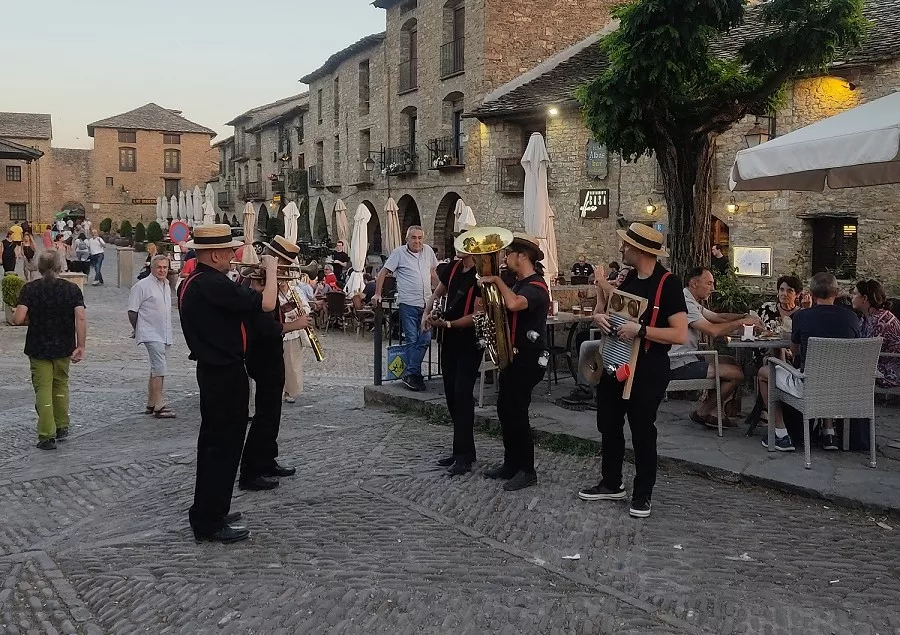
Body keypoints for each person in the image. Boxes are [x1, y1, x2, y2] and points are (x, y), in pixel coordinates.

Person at [577, 223, 688, 518]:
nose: (622, 249)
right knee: (608, 424)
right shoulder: (626, 280)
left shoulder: (668, 284)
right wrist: (600, 317)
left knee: (641, 430)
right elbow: (609, 313)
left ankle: (643, 493)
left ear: (639, 250)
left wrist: (641, 329)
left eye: (626, 246)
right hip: (617, 365)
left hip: (648, 369)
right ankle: (611, 483)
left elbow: (679, 334)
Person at [178, 224, 279, 544]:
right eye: (231, 251)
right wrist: (272, 270)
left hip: (214, 371)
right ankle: (209, 520)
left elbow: (238, 304)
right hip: (224, 373)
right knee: (222, 447)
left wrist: (251, 281)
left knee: (216, 446)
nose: (235, 255)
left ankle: (212, 509)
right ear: (216, 254)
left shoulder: (197, 282)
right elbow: (266, 305)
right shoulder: (211, 284)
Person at [477, 233, 550, 491]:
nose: (505, 259)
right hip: (513, 356)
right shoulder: (518, 282)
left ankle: (527, 470)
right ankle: (511, 463)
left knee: (517, 412)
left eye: (508, 254)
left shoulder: (537, 287)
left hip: (529, 358)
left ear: (523, 256)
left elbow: (514, 304)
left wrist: (496, 279)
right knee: (504, 409)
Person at [761, 272, 860, 452]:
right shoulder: (852, 318)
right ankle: (828, 431)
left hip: (809, 387)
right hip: (843, 387)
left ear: (811, 294)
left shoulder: (802, 317)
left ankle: (780, 433)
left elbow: (794, 351)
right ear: (836, 293)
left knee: (764, 373)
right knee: (830, 370)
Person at [238, 258, 310, 491]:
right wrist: (297, 324)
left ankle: (267, 459)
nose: (278, 279)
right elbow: (269, 328)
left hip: (272, 357)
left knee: (272, 414)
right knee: (264, 417)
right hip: (262, 359)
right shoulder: (257, 300)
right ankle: (251, 470)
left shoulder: (265, 297)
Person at [669, 267, 762, 429]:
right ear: (694, 283)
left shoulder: (690, 300)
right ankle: (704, 412)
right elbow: (713, 330)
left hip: (687, 357)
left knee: (730, 361)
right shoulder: (685, 303)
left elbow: (718, 317)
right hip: (677, 364)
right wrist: (742, 323)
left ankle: (715, 411)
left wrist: (744, 316)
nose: (712, 288)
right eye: (709, 283)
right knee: (737, 374)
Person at [12, 250, 87, 450]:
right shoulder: (72, 290)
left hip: (38, 346)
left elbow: (18, 319)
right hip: (64, 345)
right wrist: (81, 345)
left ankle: (46, 434)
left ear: (40, 267)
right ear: (59, 267)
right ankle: (62, 425)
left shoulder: (30, 289)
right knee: (61, 385)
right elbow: (80, 317)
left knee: (43, 389)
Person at [424, 246, 481, 476]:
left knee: (462, 394)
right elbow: (437, 293)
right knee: (450, 393)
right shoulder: (453, 268)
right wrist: (427, 313)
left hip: (469, 340)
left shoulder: (480, 276)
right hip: (449, 340)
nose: (459, 246)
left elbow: (478, 314)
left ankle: (464, 457)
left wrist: (448, 324)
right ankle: (463, 449)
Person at [373, 225, 438, 391]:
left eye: (420, 238)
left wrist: (439, 291)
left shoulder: (428, 251)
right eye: (414, 238)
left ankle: (411, 373)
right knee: (412, 339)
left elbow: (433, 273)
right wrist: (378, 294)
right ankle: (414, 375)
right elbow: (383, 273)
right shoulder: (399, 253)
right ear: (407, 239)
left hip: (426, 302)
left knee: (425, 338)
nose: (417, 241)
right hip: (408, 302)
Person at [127, 255, 175, 419]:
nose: (162, 270)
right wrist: (138, 328)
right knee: (160, 367)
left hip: (164, 332)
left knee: (156, 367)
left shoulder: (167, 285)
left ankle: (151, 402)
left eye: (165, 267)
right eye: (159, 267)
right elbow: (132, 311)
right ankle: (159, 404)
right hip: (150, 332)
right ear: (152, 268)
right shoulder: (142, 286)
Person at [853, 279, 900, 388]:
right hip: (878, 364)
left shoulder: (881, 321)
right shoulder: (868, 317)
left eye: (855, 294)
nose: (852, 297)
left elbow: (866, 351)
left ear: (865, 298)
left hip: (889, 371)